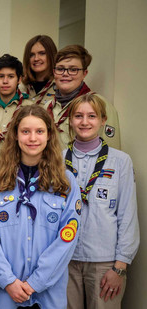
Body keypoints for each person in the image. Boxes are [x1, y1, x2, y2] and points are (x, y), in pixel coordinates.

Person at [0, 105, 81, 308]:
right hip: (7, 291)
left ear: (49, 136)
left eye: (39, 131)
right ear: (16, 136)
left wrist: (36, 282)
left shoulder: (65, 182)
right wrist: (7, 280)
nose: (32, 138)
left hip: (49, 291)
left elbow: (67, 238)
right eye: (25, 131)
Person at [64, 94, 139, 309]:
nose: (84, 122)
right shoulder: (57, 160)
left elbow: (127, 215)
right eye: (78, 116)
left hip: (105, 263)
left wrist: (120, 267)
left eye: (92, 116)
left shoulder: (121, 161)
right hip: (65, 259)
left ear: (103, 120)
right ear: (70, 120)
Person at [48, 45, 120, 148]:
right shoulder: (47, 107)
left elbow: (111, 150)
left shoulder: (100, 104)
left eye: (73, 69)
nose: (65, 74)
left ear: (84, 73)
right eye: (60, 69)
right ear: (54, 72)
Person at [0, 54, 33, 147]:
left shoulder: (29, 108)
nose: (5, 81)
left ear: (19, 79)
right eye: (1, 76)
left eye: (11, 76)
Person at [19, 35, 57, 106]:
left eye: (42, 53)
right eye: (31, 55)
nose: (36, 59)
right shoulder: (21, 88)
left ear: (51, 55)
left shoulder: (60, 87)